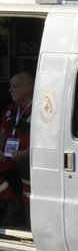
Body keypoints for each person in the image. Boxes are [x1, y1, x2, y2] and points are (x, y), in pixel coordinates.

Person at [1, 71, 32, 227]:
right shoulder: (11, 108)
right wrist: (1, 151)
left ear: (27, 87)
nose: (10, 90)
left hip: (29, 157)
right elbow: (2, 132)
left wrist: (24, 153)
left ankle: (29, 222)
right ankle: (11, 202)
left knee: (29, 185)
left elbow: (45, 138)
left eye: (14, 86)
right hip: (10, 155)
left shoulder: (41, 108)